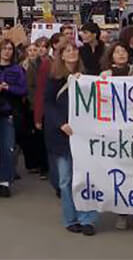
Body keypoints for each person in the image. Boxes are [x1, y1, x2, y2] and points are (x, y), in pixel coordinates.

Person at [43, 40, 99, 235]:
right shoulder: (54, 78)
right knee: (66, 180)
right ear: (61, 55)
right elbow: (48, 105)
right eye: (67, 50)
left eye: (74, 49)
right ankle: (70, 218)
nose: (72, 52)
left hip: (83, 135)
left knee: (86, 178)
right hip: (62, 136)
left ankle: (87, 218)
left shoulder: (86, 77)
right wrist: (61, 123)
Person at [98, 41, 133, 235]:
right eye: (117, 52)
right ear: (111, 56)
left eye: (123, 52)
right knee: (119, 173)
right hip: (114, 134)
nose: (121, 55)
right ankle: (122, 212)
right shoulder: (104, 77)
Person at [0, 38, 27, 198]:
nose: (7, 52)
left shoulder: (18, 69)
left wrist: (9, 88)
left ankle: (4, 181)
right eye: (5, 48)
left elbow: (23, 89)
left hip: (9, 113)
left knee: (7, 148)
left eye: (10, 49)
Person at [21, 43, 49, 179]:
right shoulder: (25, 65)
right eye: (30, 50)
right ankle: (34, 163)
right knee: (32, 136)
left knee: (40, 136)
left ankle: (42, 165)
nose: (33, 52)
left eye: (35, 49)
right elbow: (29, 87)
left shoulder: (43, 64)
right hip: (31, 103)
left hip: (39, 103)